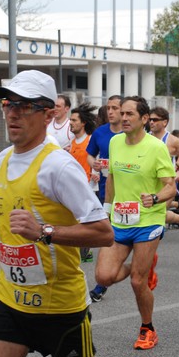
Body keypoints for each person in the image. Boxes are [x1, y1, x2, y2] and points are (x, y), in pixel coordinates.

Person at [0, 70, 119, 357]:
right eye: (8, 105)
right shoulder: (3, 161)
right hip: (10, 301)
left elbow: (103, 233)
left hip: (60, 308)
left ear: (48, 114)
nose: (13, 113)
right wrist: (2, 245)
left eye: (24, 106)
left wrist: (43, 231)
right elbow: (22, 229)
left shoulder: (59, 166)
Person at [95, 96, 176, 350]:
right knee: (103, 276)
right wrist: (106, 212)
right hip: (120, 219)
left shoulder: (156, 147)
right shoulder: (115, 142)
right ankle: (143, 264)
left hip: (147, 221)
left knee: (138, 283)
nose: (124, 117)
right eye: (122, 113)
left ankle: (147, 328)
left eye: (130, 114)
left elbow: (170, 187)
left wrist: (154, 198)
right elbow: (111, 180)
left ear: (144, 119)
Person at [86, 95, 122, 302]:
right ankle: (101, 284)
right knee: (109, 234)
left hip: (130, 194)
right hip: (106, 190)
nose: (111, 112)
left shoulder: (132, 134)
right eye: (109, 108)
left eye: (115, 108)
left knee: (119, 235)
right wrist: (94, 164)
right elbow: (91, 154)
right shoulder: (100, 133)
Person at [148, 106, 179, 237]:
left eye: (155, 120)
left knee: (158, 214)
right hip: (150, 183)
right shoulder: (146, 138)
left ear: (165, 122)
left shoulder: (172, 140)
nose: (151, 122)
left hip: (167, 185)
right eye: (150, 119)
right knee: (155, 214)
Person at [69, 102, 98, 263]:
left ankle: (85, 250)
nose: (71, 123)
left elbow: (99, 159)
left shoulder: (90, 140)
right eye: (70, 120)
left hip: (88, 187)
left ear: (83, 123)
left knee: (85, 221)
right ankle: (82, 249)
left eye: (74, 120)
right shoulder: (72, 143)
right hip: (73, 187)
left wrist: (96, 172)